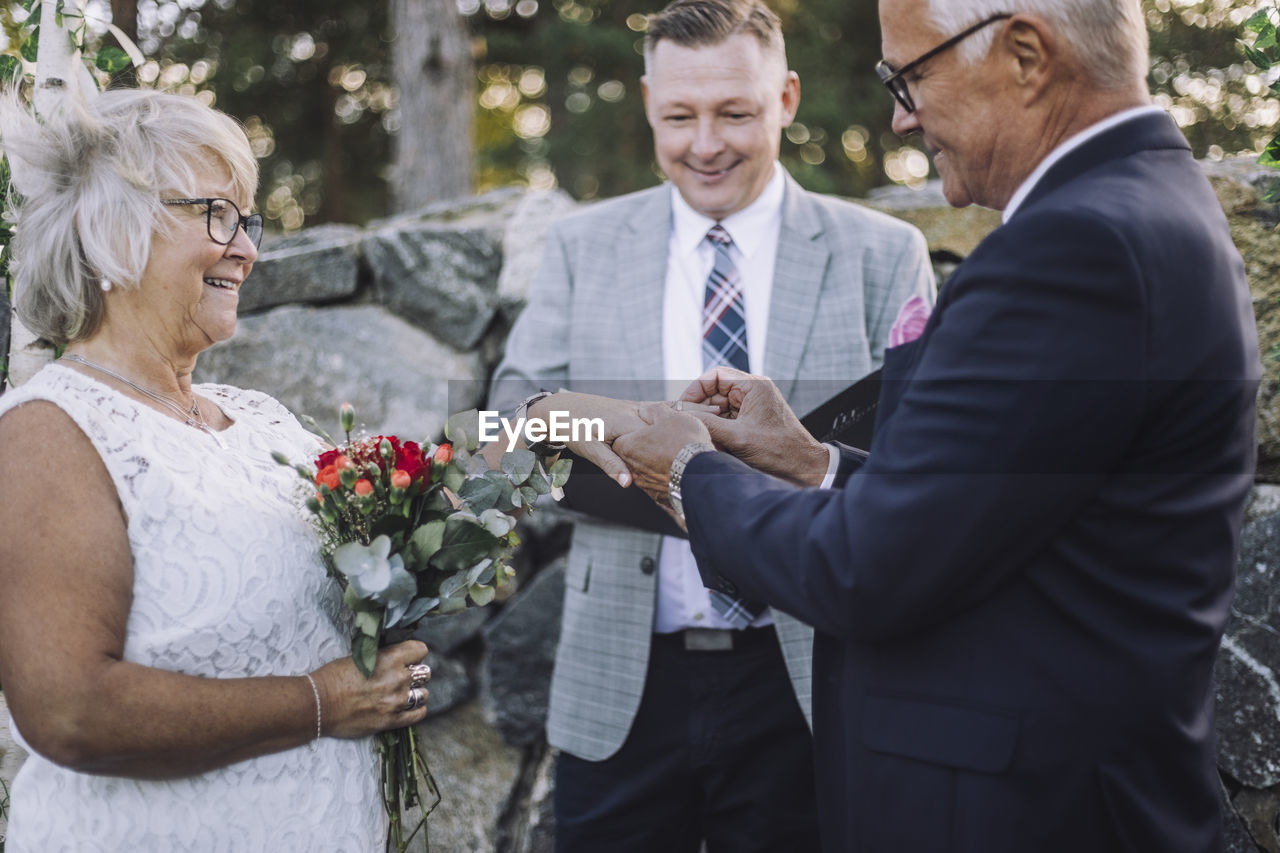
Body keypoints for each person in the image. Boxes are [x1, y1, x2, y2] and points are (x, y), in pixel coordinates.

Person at [609, 0, 1261, 850]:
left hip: (1026, 811)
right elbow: (988, 500)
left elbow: (867, 567)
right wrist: (812, 463)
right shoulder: (1140, 208)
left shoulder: (1075, 248)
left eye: (910, 75)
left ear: (1026, 54)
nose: (901, 115)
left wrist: (688, 470)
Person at [487, 0, 934, 849]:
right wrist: (563, 420)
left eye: (735, 112)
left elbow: (914, 467)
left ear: (788, 98)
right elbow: (499, 432)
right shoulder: (584, 246)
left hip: (811, 671)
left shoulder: (885, 252)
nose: (705, 145)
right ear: (647, 99)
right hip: (624, 673)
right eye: (678, 117)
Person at [0, 89, 432, 851]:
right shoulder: (49, 431)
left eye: (245, 219)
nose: (247, 248)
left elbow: (426, 499)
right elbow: (69, 710)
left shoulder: (260, 421)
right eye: (215, 215)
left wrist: (562, 419)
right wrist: (320, 701)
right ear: (109, 236)